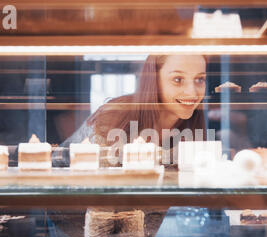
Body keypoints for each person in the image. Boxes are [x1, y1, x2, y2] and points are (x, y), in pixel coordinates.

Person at [55, 54, 209, 167]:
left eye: (199, 80)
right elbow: (61, 166)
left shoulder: (192, 126)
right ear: (154, 80)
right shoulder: (115, 115)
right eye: (178, 80)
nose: (192, 93)